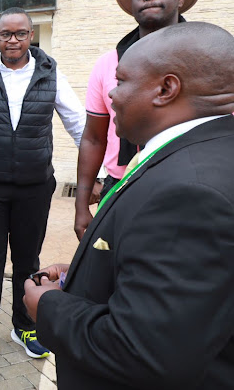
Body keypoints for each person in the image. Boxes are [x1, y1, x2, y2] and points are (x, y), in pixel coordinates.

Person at [24, 22, 234, 389]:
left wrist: (49, 308)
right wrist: (89, 270)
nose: (111, 95)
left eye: (120, 82)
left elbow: (146, 349)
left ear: (166, 89)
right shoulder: (204, 152)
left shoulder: (190, 192)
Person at [0, 7, 85, 368]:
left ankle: (25, 326)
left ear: (31, 35)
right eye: (5, 34)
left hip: (34, 185)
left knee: (27, 260)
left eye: (20, 33)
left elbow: (78, 123)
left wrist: (100, 173)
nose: (12, 40)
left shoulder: (49, 73)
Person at [74, 0, 201, 240]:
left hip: (190, 186)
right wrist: (81, 203)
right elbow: (94, 137)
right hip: (120, 186)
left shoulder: (206, 58)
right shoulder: (108, 64)